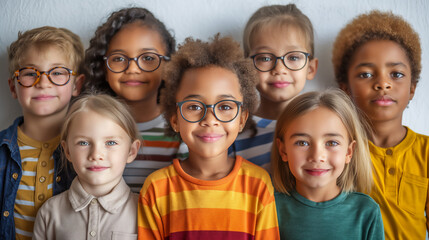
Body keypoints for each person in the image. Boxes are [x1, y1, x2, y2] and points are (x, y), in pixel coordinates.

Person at [138, 35, 280, 239]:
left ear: (241, 119)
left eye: (225, 107)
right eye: (194, 107)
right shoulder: (156, 188)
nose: (210, 119)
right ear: (175, 119)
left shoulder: (258, 184)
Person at [332, 10, 429, 239]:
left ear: (412, 88)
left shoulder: (426, 153)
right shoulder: (336, 150)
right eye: (366, 74)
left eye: (396, 74)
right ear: (345, 89)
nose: (383, 83)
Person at [83, 7, 187, 192]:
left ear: (169, 66)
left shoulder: (182, 131)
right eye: (119, 58)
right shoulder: (88, 130)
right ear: (103, 68)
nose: (132, 69)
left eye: (147, 58)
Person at [1, 26, 84, 239]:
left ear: (77, 85)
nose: (43, 83)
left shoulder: (87, 151)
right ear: (13, 87)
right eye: (30, 73)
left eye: (57, 72)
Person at [272, 89, 384, 239]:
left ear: (349, 152)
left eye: (331, 142)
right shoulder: (270, 208)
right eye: (302, 142)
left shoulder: (365, 211)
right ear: (283, 150)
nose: (317, 156)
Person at [32, 94, 141, 239]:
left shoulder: (144, 211)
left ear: (131, 151)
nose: (96, 155)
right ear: (68, 151)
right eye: (83, 143)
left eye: (111, 143)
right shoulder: (50, 212)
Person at [229, 4, 318, 171]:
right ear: (246, 67)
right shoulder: (233, 129)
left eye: (293, 57)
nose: (279, 69)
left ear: (311, 68)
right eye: (264, 58)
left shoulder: (323, 125)